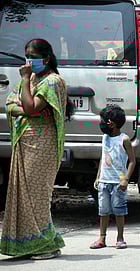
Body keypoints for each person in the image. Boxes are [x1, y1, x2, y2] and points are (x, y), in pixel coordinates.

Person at [1, 39, 73, 259]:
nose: (29, 61)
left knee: (37, 196)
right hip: (24, 141)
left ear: (46, 58)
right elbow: (10, 104)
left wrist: (24, 87)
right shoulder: (33, 79)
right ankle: (29, 244)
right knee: (22, 195)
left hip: (43, 144)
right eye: (27, 55)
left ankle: (47, 246)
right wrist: (24, 104)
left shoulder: (52, 81)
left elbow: (30, 107)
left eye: (33, 56)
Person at [90, 105, 136, 249]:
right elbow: (103, 158)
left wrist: (126, 179)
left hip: (118, 182)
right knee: (103, 211)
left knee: (119, 210)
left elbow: (132, 161)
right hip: (104, 181)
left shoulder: (125, 139)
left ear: (112, 123)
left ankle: (120, 237)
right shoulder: (105, 138)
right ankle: (102, 238)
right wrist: (98, 177)